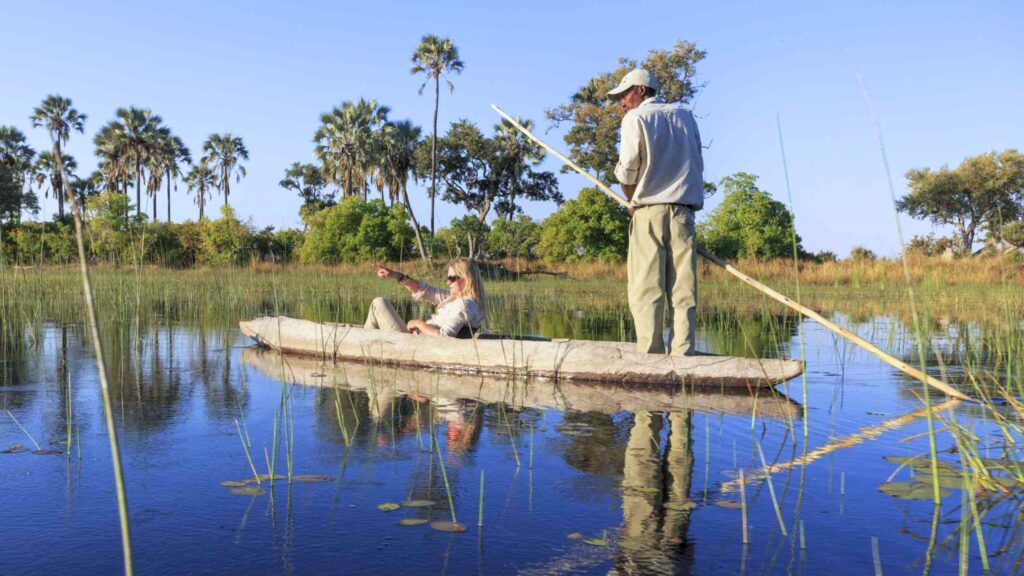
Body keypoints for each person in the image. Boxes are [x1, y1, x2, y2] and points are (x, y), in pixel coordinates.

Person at [608, 68, 705, 356]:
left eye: (624, 94)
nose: (622, 102)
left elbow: (627, 172)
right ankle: (682, 354)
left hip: (648, 211)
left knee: (646, 288)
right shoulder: (686, 116)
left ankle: (650, 356)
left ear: (640, 90)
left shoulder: (635, 118)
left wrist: (632, 202)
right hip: (683, 214)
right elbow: (698, 159)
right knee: (683, 289)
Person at [365, 257, 486, 337]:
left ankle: (362, 343)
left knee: (379, 303)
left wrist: (419, 324)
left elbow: (444, 337)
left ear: (466, 279)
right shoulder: (456, 299)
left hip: (411, 345)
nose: (448, 282)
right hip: (414, 339)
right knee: (379, 304)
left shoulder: (465, 304)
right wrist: (397, 275)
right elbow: (425, 291)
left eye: (451, 278)